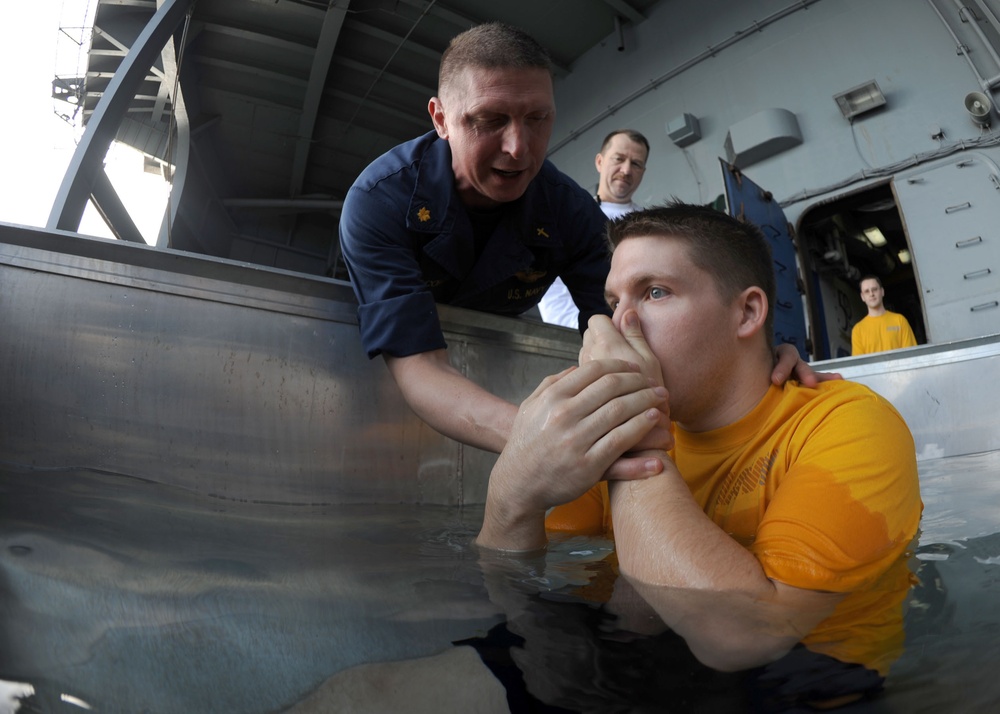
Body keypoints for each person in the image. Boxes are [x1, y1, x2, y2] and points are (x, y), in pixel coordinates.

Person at [340, 22, 819, 474]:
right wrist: (548, 439)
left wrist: (756, 357)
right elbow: (419, 367)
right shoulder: (380, 201)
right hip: (370, 384)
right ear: (441, 118)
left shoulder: (568, 210)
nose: (519, 148)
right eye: (490, 120)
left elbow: (632, 325)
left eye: (538, 118)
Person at [476, 202, 922, 677]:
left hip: (805, 688)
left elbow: (745, 637)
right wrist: (511, 495)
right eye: (612, 302)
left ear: (747, 312)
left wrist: (640, 426)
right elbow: (524, 601)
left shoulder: (849, 422)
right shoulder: (609, 438)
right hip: (642, 673)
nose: (617, 325)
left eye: (655, 292)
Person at [539, 129, 650, 328]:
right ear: (599, 161)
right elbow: (551, 286)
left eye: (636, 164)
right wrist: (583, 331)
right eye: (619, 159)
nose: (626, 170)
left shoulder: (651, 227)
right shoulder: (571, 218)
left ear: (643, 172)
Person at [851, 275, 917, 355]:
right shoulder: (858, 330)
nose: (871, 294)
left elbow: (911, 355)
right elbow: (859, 365)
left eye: (874, 289)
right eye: (867, 291)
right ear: (862, 297)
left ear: (882, 291)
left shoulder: (900, 320)